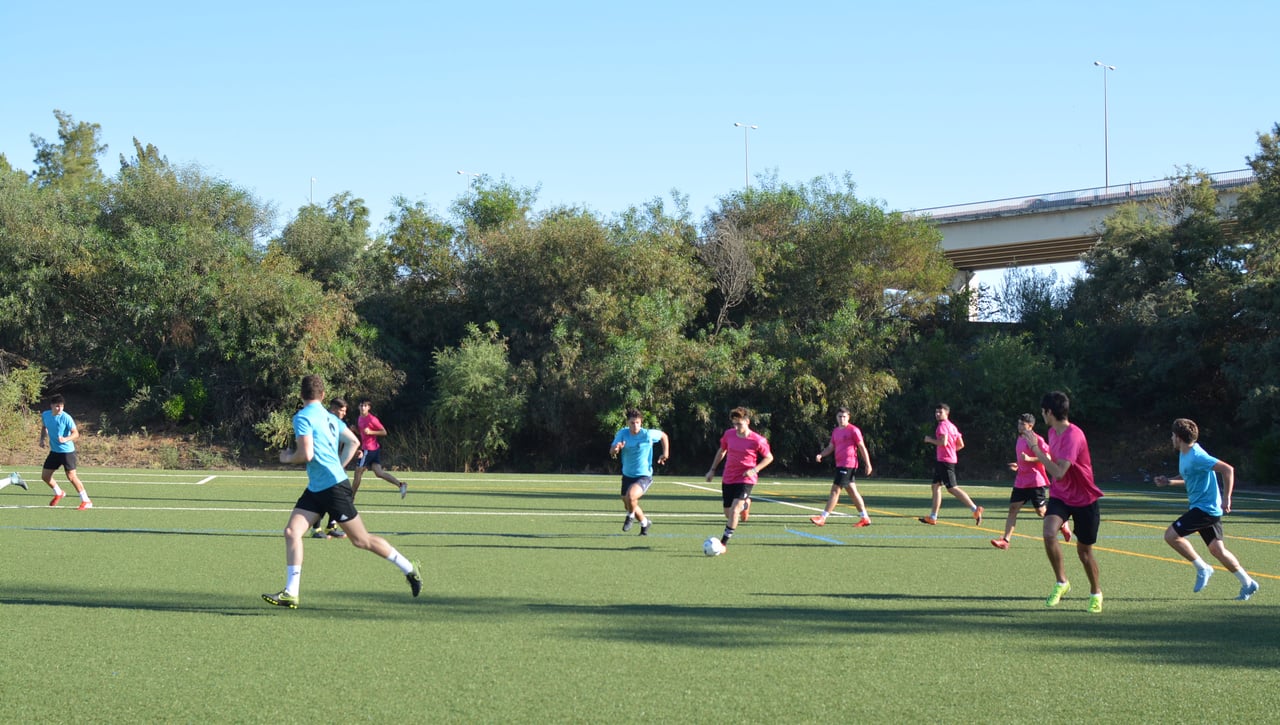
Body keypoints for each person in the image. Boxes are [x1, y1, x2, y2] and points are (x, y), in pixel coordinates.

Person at [263, 375, 422, 609]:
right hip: (318, 488)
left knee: (361, 540)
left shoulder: (302, 417)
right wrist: (339, 464)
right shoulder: (330, 417)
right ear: (323, 395)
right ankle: (291, 592)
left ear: (301, 395)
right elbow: (354, 443)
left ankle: (409, 568)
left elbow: (305, 455)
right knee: (291, 531)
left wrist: (286, 457)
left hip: (334, 489)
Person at [1154, 418, 1259, 601]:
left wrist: (1226, 498)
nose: (1171, 438)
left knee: (1171, 535)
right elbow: (1189, 475)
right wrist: (1169, 481)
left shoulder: (1197, 455)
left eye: (1172, 435)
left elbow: (1228, 470)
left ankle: (1203, 568)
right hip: (1203, 507)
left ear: (1178, 438)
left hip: (1206, 509)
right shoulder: (1185, 454)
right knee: (1217, 550)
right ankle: (1248, 583)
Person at [1023, 391, 1105, 613]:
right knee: (1049, 532)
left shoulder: (1073, 436)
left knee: (1084, 552)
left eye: (1043, 411)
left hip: (1084, 499)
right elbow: (1056, 473)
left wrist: (1035, 449)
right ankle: (1062, 582)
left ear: (1049, 412)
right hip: (1061, 495)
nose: (1042, 415)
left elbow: (1059, 472)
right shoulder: (1052, 432)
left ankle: (1096, 592)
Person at [992, 414, 1071, 549]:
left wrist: (1029, 459)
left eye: (1023, 424)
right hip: (1021, 481)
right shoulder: (1020, 438)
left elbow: (1047, 456)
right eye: (1019, 423)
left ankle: (1062, 523)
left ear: (1030, 426)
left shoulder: (1037, 439)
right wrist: (1019, 464)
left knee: (1041, 512)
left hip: (1035, 481)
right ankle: (1005, 541)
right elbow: (1024, 458)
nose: (1020, 426)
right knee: (1013, 509)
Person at [705, 407, 773, 548]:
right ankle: (746, 504)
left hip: (745, 479)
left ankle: (723, 543)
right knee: (728, 513)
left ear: (747, 421)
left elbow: (769, 457)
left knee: (735, 511)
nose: (736, 427)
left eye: (739, 424)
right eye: (734, 424)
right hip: (728, 477)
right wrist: (712, 470)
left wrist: (754, 470)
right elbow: (722, 451)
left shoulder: (757, 440)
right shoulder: (729, 435)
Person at [917, 403, 982, 525]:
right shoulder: (952, 426)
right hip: (945, 460)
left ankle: (975, 509)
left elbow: (943, 442)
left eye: (940, 412)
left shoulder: (942, 426)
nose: (937, 414)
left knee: (952, 488)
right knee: (935, 486)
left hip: (945, 461)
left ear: (947, 413)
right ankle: (933, 516)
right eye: (936, 412)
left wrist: (929, 440)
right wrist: (951, 451)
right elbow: (961, 444)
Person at [609, 408, 670, 536]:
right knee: (629, 503)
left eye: (637, 422)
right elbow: (612, 451)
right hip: (627, 475)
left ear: (641, 422)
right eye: (632, 423)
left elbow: (664, 436)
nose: (635, 425)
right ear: (627, 422)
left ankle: (629, 517)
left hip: (644, 475)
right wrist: (616, 448)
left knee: (631, 497)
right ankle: (644, 523)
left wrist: (665, 453)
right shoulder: (622, 433)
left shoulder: (647, 434)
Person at [810, 406, 873, 527]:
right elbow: (831, 447)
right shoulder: (836, 431)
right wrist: (821, 455)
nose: (842, 419)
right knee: (853, 492)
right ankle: (865, 517)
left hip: (848, 464)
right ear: (836, 418)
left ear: (848, 417)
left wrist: (868, 464)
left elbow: (862, 447)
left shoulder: (854, 430)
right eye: (840, 416)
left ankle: (823, 517)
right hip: (840, 465)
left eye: (844, 417)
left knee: (835, 490)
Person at [39, 394, 92, 510]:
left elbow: (76, 433)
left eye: (61, 406)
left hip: (67, 452)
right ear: (51, 406)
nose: (60, 409)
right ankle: (59, 492)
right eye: (57, 406)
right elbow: (44, 427)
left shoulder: (66, 417)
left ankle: (86, 500)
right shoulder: (46, 415)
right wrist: (42, 439)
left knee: (71, 477)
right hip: (54, 452)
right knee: (45, 476)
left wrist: (65, 439)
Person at [310, 397, 351, 540]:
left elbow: (348, 442)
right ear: (333, 409)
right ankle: (316, 529)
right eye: (342, 411)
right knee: (322, 498)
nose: (344, 414)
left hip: (337, 466)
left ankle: (331, 526)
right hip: (325, 468)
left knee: (340, 497)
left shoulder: (338, 423)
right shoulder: (322, 421)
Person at [353, 399, 408, 499]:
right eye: (361, 405)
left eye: (365, 406)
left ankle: (350, 499)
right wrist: (355, 430)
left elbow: (384, 432)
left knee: (358, 473)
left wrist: (371, 432)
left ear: (369, 407)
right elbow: (362, 433)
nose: (362, 407)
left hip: (368, 450)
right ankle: (401, 485)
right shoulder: (360, 418)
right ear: (358, 407)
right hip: (372, 449)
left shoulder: (372, 419)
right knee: (379, 473)